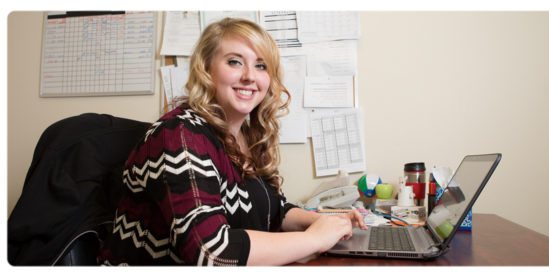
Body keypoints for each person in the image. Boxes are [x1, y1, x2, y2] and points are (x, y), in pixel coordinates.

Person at [98, 18, 367, 269]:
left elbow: (276, 211)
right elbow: (211, 253)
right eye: (235, 62)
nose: (250, 76)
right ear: (206, 69)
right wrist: (316, 239)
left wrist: (324, 222)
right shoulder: (179, 133)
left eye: (261, 66)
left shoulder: (250, 137)